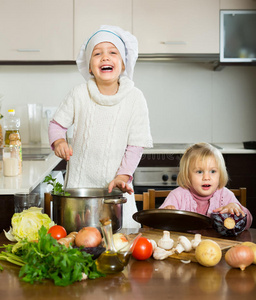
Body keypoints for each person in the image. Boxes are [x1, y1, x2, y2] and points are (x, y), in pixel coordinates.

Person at [48, 25, 153, 228]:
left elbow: (136, 145)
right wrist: (59, 140)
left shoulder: (135, 98)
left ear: (123, 64)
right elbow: (56, 124)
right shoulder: (79, 93)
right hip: (79, 189)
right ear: (89, 66)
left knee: (119, 239)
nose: (105, 57)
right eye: (97, 54)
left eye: (113, 52)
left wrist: (123, 175)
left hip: (116, 190)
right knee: (78, 237)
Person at [159, 142, 252, 229]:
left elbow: (248, 223)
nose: (206, 177)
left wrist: (237, 209)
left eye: (213, 171)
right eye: (199, 172)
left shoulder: (225, 195)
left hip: (219, 244)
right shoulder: (177, 196)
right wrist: (166, 214)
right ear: (187, 175)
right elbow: (158, 222)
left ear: (220, 174)